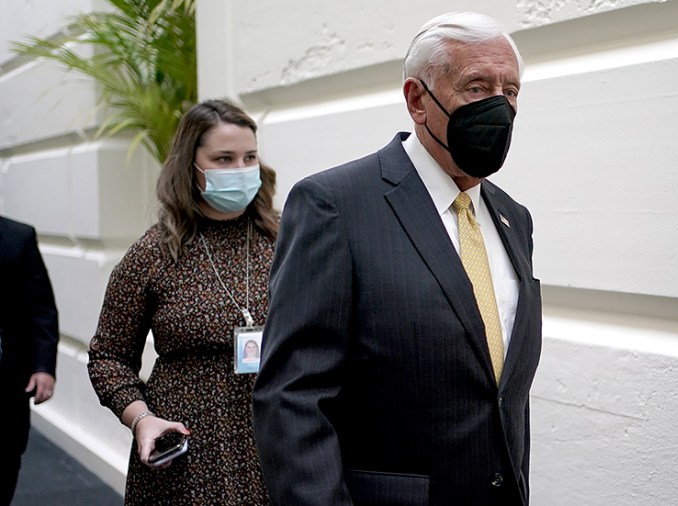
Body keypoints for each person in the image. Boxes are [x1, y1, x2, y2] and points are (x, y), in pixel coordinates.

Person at [253, 11, 542, 506]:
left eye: (509, 91)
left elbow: (499, 392)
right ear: (417, 100)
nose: (498, 107)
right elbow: (293, 399)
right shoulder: (334, 205)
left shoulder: (514, 218)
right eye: (476, 88)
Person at [87, 99, 278, 505]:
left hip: (274, 439)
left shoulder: (283, 240)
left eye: (249, 158)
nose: (240, 170)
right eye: (223, 158)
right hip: (186, 444)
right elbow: (107, 356)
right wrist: (141, 419)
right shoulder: (155, 253)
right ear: (189, 166)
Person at [0, 216, 59, 505]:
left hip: (7, 381)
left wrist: (43, 367)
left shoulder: (17, 237)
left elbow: (41, 308)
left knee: (6, 462)